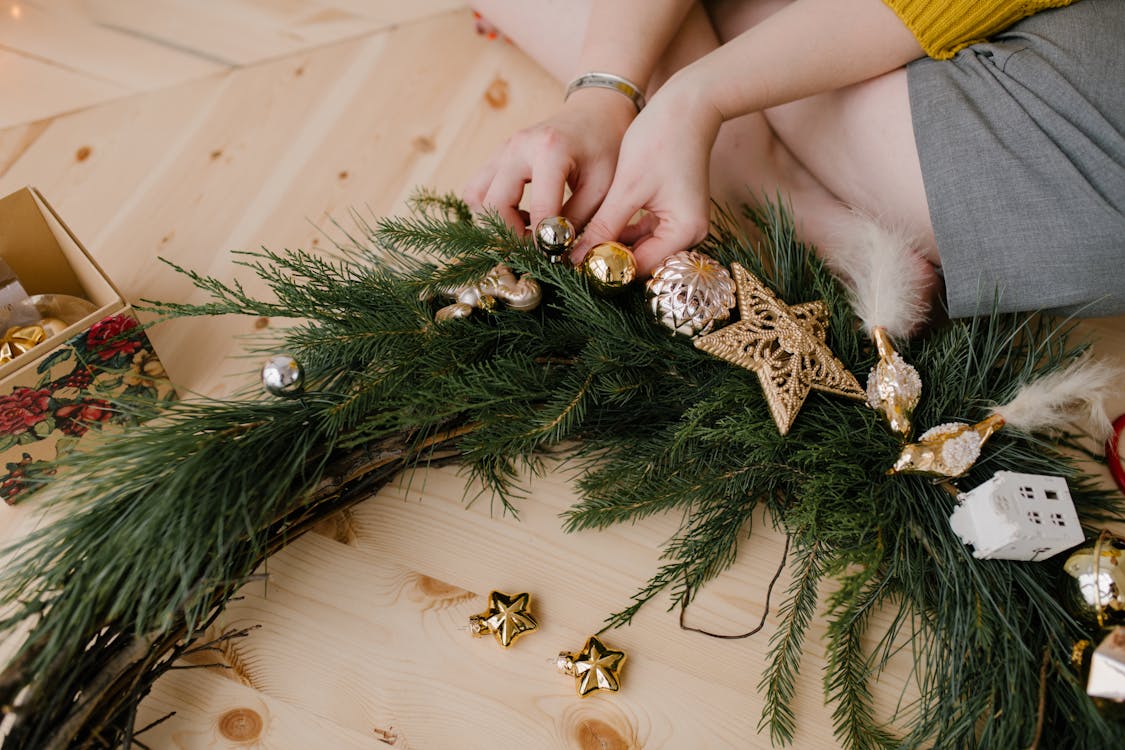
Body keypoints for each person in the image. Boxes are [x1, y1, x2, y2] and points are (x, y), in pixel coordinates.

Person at [462, 0, 1125, 320]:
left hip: (1076, 153)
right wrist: (602, 93)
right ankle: (762, 175)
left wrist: (690, 97)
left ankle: (761, 184)